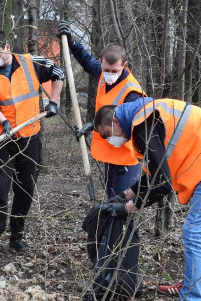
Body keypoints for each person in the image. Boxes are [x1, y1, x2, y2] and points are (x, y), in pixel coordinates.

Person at [93, 97, 201, 301]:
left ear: (114, 120)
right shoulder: (141, 117)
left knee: (194, 232)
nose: (110, 139)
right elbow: (155, 172)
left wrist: (129, 207)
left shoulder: (142, 125)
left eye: (106, 133)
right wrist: (124, 196)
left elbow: (162, 184)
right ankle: (191, 284)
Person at [0, 30, 65, 261]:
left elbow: (58, 72)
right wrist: (4, 121)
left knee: (26, 187)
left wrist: (52, 102)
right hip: (0, 140)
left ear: (6, 46)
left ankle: (17, 236)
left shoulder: (30, 62)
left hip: (30, 136)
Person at [58, 21, 145, 198]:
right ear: (101, 63)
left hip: (126, 157)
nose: (110, 74)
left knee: (121, 205)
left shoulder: (132, 92)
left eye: (115, 70)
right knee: (111, 201)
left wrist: (91, 125)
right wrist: (72, 43)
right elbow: (86, 60)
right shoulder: (102, 74)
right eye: (106, 69)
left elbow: (123, 121)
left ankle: (124, 228)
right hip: (111, 152)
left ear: (125, 65)